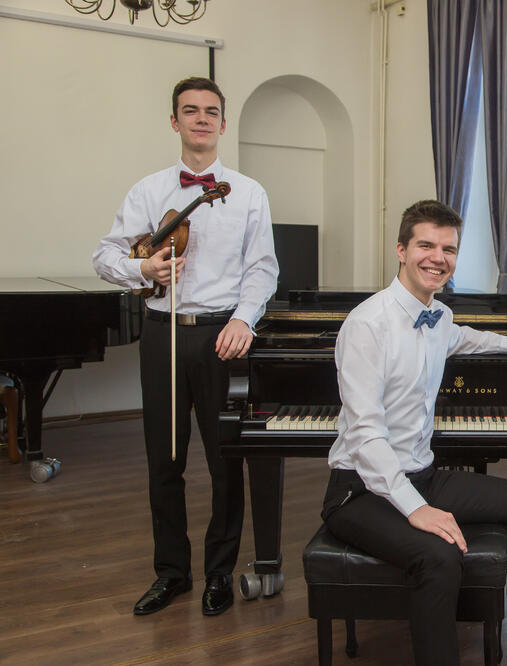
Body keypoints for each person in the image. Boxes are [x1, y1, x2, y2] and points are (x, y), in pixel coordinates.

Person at [322, 200, 507, 666]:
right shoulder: (366, 325)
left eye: (448, 249)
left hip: (423, 473)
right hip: (360, 492)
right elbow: (365, 438)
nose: (437, 257)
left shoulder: (438, 316)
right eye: (426, 245)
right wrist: (417, 509)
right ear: (401, 250)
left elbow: (466, 336)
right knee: (440, 557)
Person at [93, 76, 278, 617]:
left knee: (225, 463)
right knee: (164, 459)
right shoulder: (148, 190)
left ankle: (220, 572)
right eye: (190, 111)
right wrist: (140, 268)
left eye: (211, 111)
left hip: (222, 335)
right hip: (162, 331)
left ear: (223, 123)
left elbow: (262, 268)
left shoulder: (249, 193)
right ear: (174, 121)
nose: (201, 119)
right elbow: (104, 256)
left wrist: (244, 319)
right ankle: (171, 572)